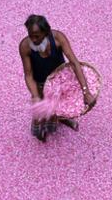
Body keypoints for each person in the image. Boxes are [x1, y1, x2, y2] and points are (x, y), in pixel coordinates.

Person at [19, 14, 96, 142]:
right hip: (40, 84)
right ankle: (41, 131)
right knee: (41, 112)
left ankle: (63, 118)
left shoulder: (58, 38)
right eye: (30, 35)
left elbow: (74, 63)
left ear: (46, 32)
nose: (33, 39)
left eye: (37, 36)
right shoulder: (25, 46)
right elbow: (28, 75)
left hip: (60, 82)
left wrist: (85, 90)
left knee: (59, 105)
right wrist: (35, 95)